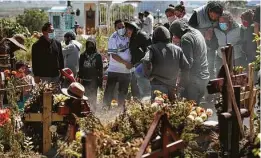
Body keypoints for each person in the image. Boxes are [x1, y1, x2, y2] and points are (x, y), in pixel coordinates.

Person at [141, 26, 189, 101]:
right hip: (173, 86)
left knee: (157, 110)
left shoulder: (152, 48)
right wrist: (181, 83)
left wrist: (149, 75)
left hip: (157, 85)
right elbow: (186, 67)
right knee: (172, 110)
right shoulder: (178, 49)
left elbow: (146, 60)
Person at [170, 19, 210, 105]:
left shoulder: (186, 38)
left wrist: (180, 83)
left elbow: (187, 63)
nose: (175, 36)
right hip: (204, 77)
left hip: (193, 81)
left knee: (189, 111)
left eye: (175, 34)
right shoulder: (197, 32)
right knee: (196, 111)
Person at [189, 1, 223, 79]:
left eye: (216, 17)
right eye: (212, 16)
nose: (214, 19)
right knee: (199, 68)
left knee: (211, 67)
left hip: (211, 46)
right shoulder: (197, 14)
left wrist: (212, 29)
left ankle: (212, 87)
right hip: (199, 46)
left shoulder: (221, 15)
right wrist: (203, 35)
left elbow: (221, 27)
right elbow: (190, 30)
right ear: (208, 11)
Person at [103, 19, 132, 109]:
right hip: (114, 69)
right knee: (109, 90)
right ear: (115, 28)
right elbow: (114, 55)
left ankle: (121, 109)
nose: (121, 28)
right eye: (119, 27)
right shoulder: (113, 38)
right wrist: (125, 63)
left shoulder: (128, 36)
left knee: (123, 91)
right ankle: (105, 107)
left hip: (126, 70)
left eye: (123, 26)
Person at [125, 21, 152, 101]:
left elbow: (149, 49)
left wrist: (144, 62)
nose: (128, 31)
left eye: (130, 29)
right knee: (136, 86)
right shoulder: (132, 37)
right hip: (135, 65)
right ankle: (138, 103)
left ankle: (145, 102)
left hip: (141, 65)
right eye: (127, 29)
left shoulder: (141, 35)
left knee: (143, 87)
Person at [78, 37, 103, 111]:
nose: (90, 46)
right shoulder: (83, 55)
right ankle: (85, 111)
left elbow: (100, 69)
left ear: (94, 45)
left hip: (94, 81)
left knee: (93, 97)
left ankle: (93, 112)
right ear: (86, 45)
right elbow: (80, 67)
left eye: (92, 44)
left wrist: (100, 81)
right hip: (85, 80)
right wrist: (80, 78)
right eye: (88, 44)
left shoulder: (98, 56)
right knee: (84, 97)